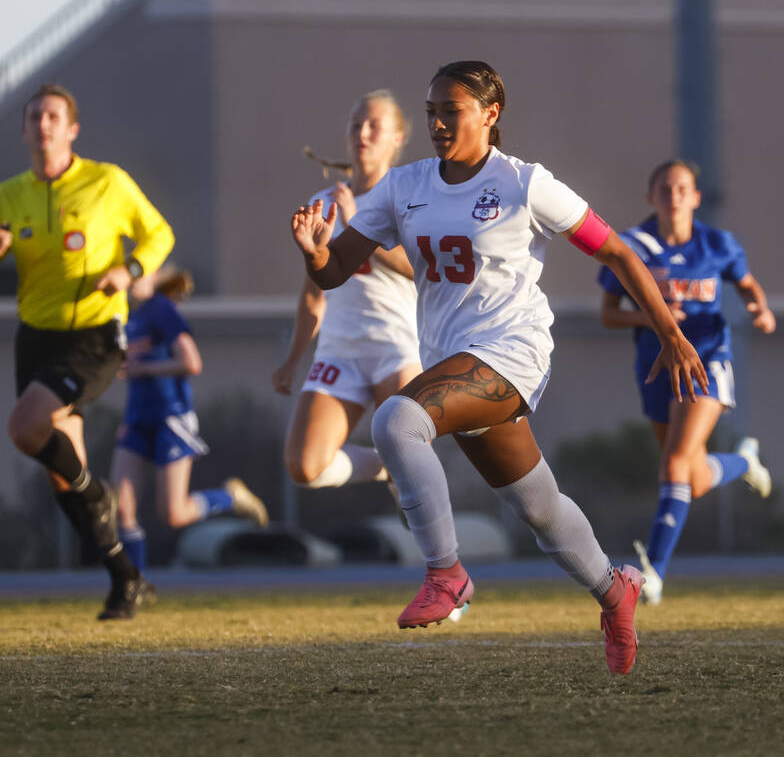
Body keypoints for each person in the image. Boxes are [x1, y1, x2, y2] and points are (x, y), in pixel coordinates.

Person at [291, 60, 707, 675]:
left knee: (394, 422)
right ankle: (615, 591)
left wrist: (670, 331)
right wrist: (314, 251)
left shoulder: (524, 183)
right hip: (453, 361)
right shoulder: (404, 187)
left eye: (450, 110)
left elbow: (617, 250)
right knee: (538, 507)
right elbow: (333, 272)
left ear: (490, 114)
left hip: (514, 351)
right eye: (430, 111)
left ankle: (446, 572)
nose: (436, 122)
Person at [0, 83, 174, 620]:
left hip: (95, 334)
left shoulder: (107, 182)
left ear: (72, 129)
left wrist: (131, 269)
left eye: (53, 115)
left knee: (24, 428)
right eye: (34, 116)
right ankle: (128, 581)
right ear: (25, 130)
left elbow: (158, 233)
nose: (44, 124)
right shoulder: (9, 194)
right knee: (62, 476)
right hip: (35, 337)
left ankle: (96, 491)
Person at [598, 159, 774, 606]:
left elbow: (748, 285)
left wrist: (760, 308)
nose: (673, 196)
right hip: (656, 365)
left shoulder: (717, 244)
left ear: (696, 197)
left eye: (682, 189)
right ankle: (741, 463)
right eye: (665, 188)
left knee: (674, 464)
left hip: (707, 361)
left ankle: (652, 573)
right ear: (650, 197)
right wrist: (654, 317)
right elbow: (608, 313)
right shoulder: (633, 245)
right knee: (690, 477)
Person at [272, 91, 421, 510]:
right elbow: (313, 293)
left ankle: (445, 564)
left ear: (397, 137)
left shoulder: (407, 195)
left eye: (375, 124)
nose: (363, 132)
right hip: (340, 349)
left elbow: (418, 267)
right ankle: (381, 466)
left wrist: (357, 224)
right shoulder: (324, 202)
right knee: (305, 467)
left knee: (410, 447)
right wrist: (293, 358)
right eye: (357, 124)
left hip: (397, 347)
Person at [113, 266, 269, 570]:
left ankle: (228, 497)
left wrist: (143, 369)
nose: (131, 279)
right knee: (121, 509)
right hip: (136, 417)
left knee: (173, 514)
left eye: (139, 272)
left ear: (155, 276)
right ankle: (133, 589)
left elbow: (191, 362)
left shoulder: (161, 309)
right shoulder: (129, 314)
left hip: (171, 417)